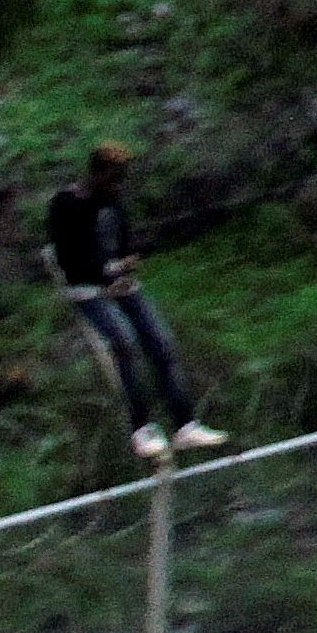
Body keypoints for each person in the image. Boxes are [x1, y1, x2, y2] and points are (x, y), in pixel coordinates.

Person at [47, 143, 226, 462]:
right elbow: (67, 259)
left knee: (161, 343)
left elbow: (124, 242)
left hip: (122, 286)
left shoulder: (113, 202)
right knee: (125, 344)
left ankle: (185, 424)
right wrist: (108, 270)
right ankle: (142, 428)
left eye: (121, 180)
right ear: (97, 173)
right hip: (88, 290)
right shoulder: (67, 204)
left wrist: (126, 264)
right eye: (113, 179)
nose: (118, 186)